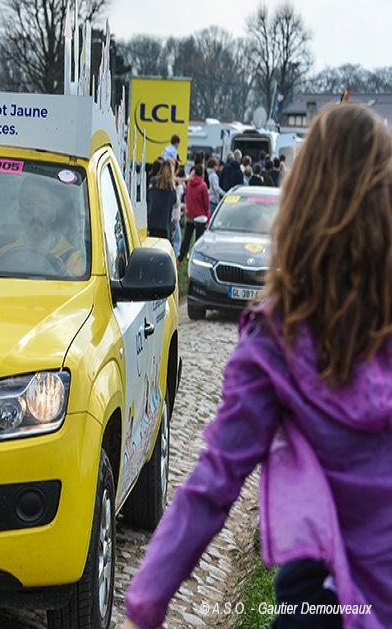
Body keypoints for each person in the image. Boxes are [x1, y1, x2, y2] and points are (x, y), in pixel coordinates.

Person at [123, 104, 392, 629]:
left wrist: (147, 601)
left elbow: (215, 482)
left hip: (320, 599)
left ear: (299, 204)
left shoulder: (279, 341)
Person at [0, 174, 85, 276]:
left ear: (53, 214)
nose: (36, 216)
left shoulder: (73, 258)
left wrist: (67, 277)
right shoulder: (4, 255)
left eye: (42, 209)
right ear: (20, 215)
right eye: (29, 209)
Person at [178, 162, 210, 262]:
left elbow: (187, 198)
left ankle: (180, 258)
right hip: (200, 216)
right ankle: (196, 258)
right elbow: (206, 203)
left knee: (187, 238)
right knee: (198, 239)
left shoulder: (189, 184)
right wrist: (207, 215)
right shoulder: (203, 185)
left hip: (190, 214)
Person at [146, 159, 176, 240]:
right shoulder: (172, 188)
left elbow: (149, 198)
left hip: (151, 220)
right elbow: (174, 201)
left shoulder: (153, 181)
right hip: (164, 223)